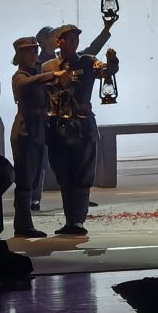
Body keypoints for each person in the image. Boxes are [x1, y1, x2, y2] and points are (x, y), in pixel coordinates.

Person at [42, 24, 118, 237]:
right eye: (69, 38)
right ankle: (70, 220)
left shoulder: (87, 61)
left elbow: (106, 71)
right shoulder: (48, 67)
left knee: (82, 175)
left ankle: (77, 221)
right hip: (57, 127)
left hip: (82, 126)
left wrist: (112, 61)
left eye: (76, 38)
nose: (74, 42)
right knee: (64, 176)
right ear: (59, 41)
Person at [9, 35, 56, 238]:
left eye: (34, 51)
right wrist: (51, 75)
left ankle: (25, 223)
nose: (33, 55)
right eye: (28, 51)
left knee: (35, 178)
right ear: (19, 55)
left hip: (37, 132)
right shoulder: (20, 76)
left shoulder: (35, 73)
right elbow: (25, 84)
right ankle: (23, 225)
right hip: (25, 132)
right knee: (25, 180)